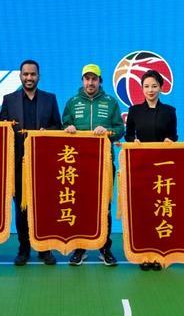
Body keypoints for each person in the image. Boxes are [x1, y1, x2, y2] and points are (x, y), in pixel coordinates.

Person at [62, 63, 124, 266]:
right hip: (77, 163)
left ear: (100, 81)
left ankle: (105, 248)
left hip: (104, 163)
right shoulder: (72, 103)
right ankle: (80, 248)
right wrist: (68, 129)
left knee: (104, 206)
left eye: (94, 79)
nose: (90, 82)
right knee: (80, 205)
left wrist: (107, 131)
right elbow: (63, 126)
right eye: (87, 79)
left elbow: (120, 130)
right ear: (82, 81)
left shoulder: (111, 102)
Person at [1, 60, 62, 266]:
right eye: (25, 74)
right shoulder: (8, 100)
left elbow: (58, 126)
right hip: (17, 164)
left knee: (44, 207)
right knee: (21, 209)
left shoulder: (50, 99)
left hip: (43, 164)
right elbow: (2, 130)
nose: (29, 78)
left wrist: (47, 132)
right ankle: (24, 249)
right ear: (20, 76)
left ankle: (44, 249)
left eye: (33, 74)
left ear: (39, 76)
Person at [124, 69, 178, 271]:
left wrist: (170, 140)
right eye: (146, 86)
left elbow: (174, 136)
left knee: (160, 210)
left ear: (161, 88)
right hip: (141, 167)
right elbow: (128, 135)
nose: (150, 90)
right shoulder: (134, 110)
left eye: (154, 86)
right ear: (141, 88)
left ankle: (159, 253)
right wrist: (134, 141)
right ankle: (143, 255)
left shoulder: (170, 111)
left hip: (163, 169)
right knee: (144, 210)